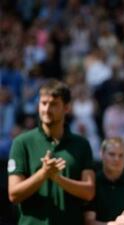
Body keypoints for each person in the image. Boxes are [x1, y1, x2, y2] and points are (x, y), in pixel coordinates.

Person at [7, 79, 95, 225]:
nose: (47, 109)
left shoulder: (81, 144)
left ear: (67, 108)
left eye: (54, 104)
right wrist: (44, 174)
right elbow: (13, 194)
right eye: (43, 103)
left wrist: (58, 179)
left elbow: (89, 192)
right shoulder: (22, 142)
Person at [84, 137, 124, 225]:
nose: (117, 159)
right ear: (101, 154)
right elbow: (88, 222)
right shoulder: (92, 184)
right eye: (112, 154)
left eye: (121, 155)